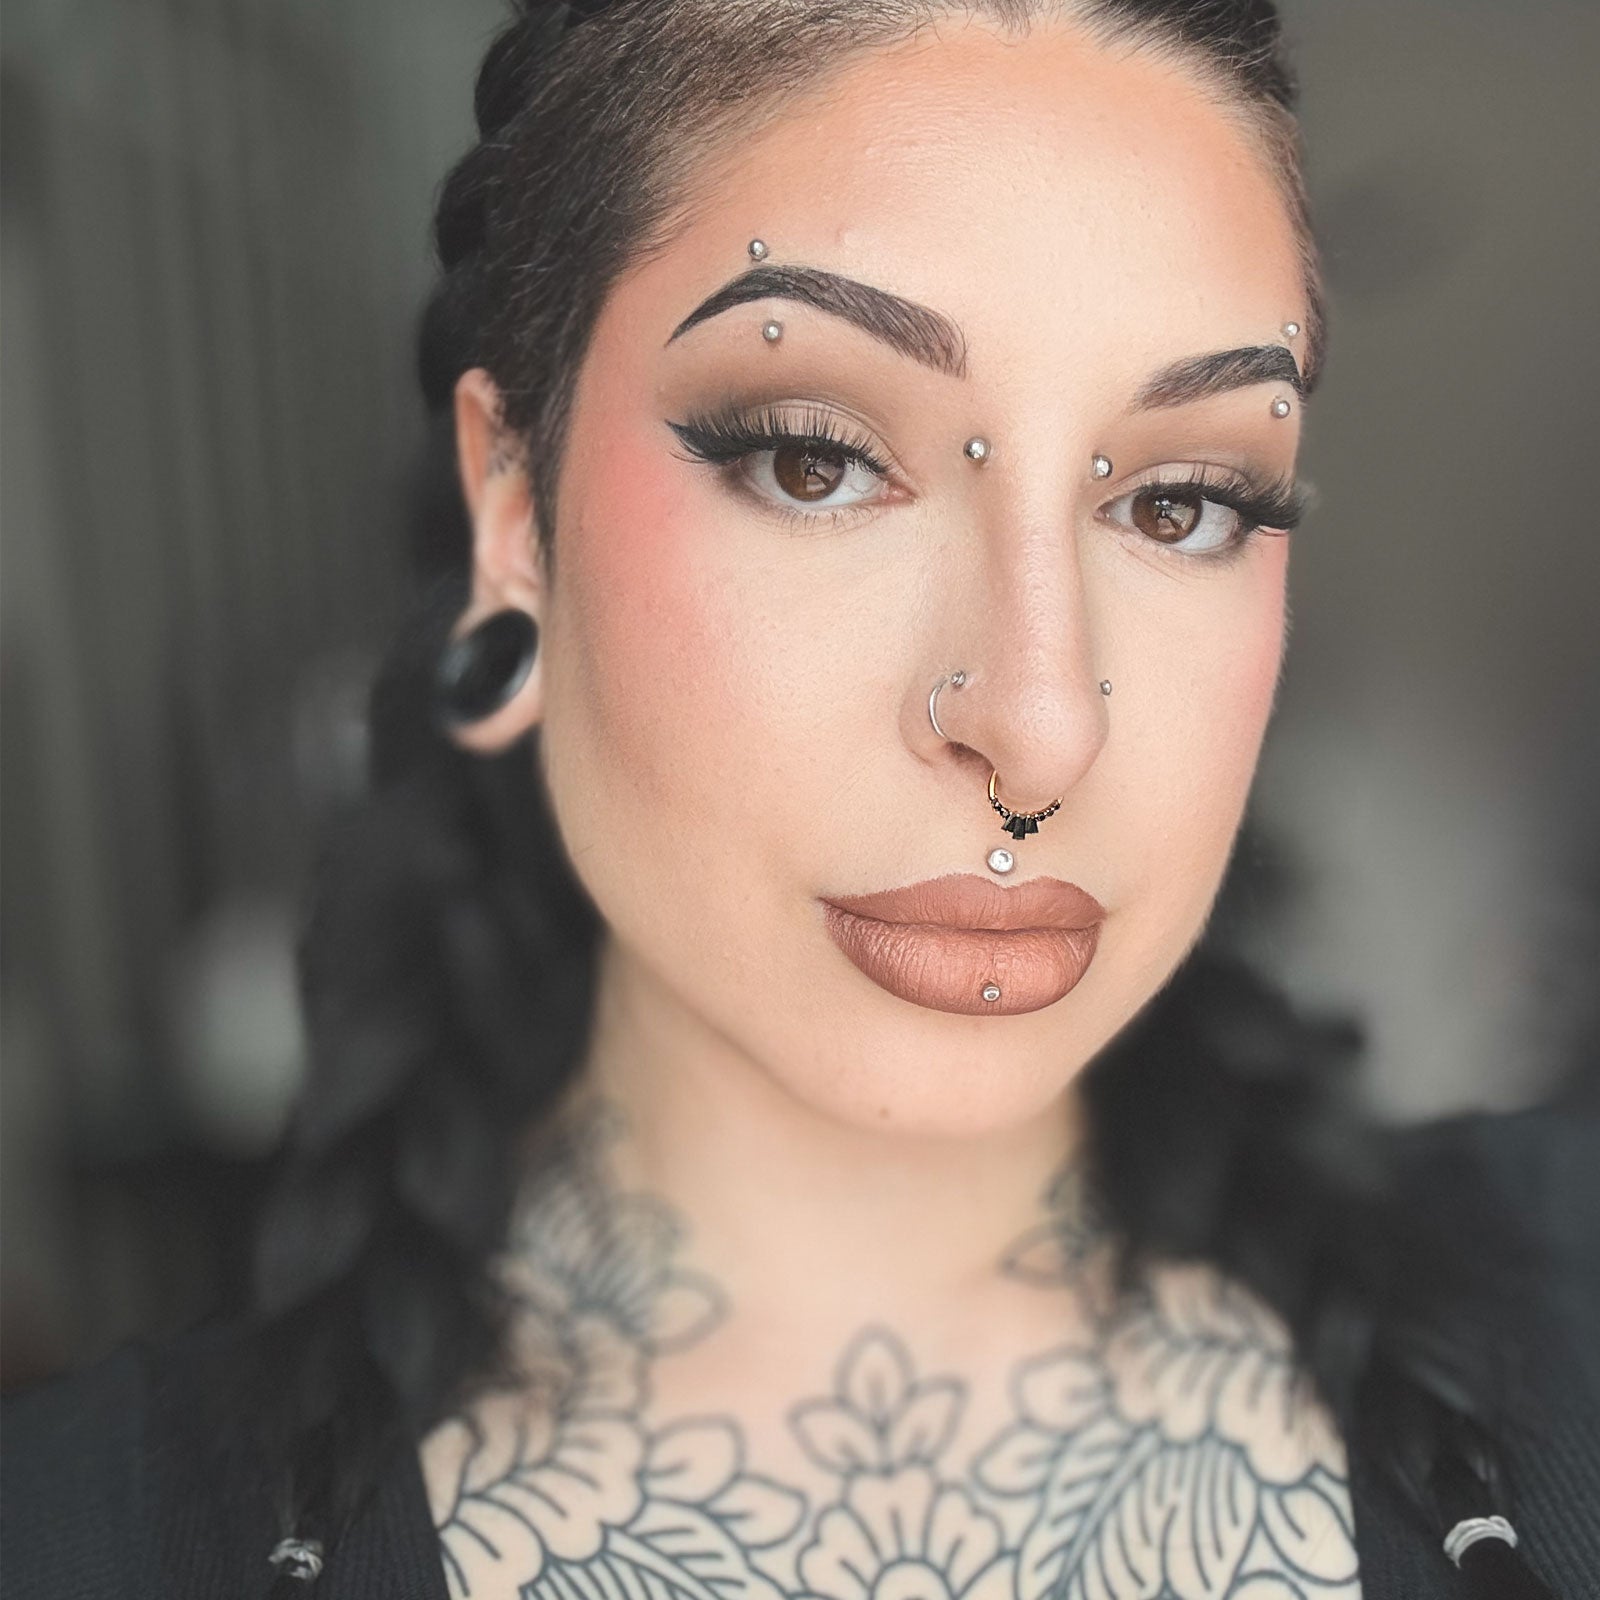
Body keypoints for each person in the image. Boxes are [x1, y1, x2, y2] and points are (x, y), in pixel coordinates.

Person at [4, 2, 1597, 1596]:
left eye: (1183, 502)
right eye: (815, 462)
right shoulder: (78, 1544)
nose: (1042, 727)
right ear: (512, 511)